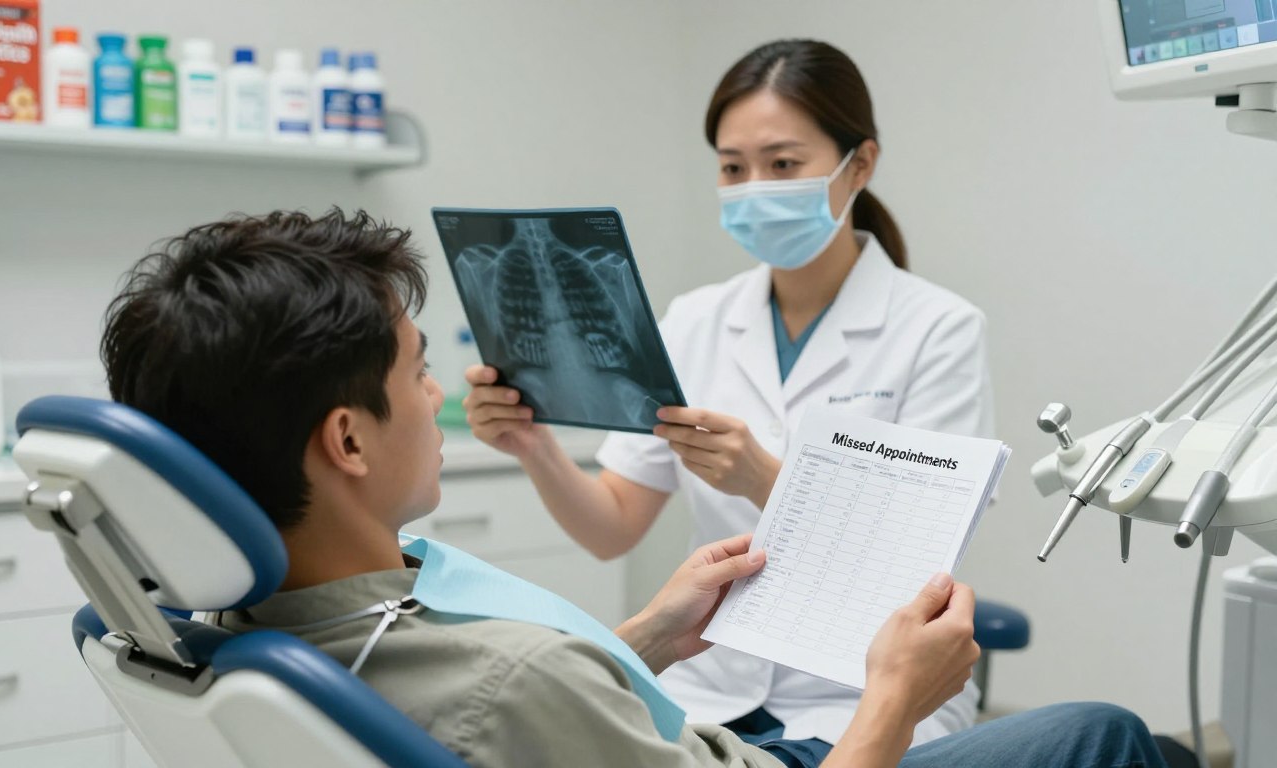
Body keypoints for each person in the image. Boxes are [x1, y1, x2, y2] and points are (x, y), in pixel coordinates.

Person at [99, 208, 1164, 768]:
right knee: (1112, 735)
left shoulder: (255, 629)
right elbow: (531, 690)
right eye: (418, 369)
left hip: (710, 719)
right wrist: (893, 695)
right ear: (347, 439)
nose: (439, 396)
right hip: (789, 736)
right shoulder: (507, 675)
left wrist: (649, 632)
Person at [463, 38, 993, 746]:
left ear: (859, 163)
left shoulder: (938, 328)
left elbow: (907, 556)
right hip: (706, 684)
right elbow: (610, 528)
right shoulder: (694, 320)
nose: (755, 189)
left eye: (783, 165)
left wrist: (766, 478)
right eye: (732, 168)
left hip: (858, 690)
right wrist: (535, 448)